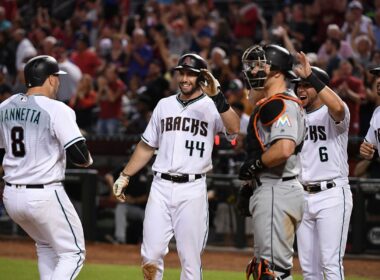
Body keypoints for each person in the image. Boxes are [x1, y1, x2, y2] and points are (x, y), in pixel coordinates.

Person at [112, 53, 240, 280]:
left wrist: (218, 97)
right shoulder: (164, 105)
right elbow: (146, 146)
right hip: (160, 185)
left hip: (192, 188)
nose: (184, 78)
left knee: (190, 260)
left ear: (202, 77)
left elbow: (234, 129)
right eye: (181, 72)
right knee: (150, 255)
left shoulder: (212, 106)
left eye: (190, 73)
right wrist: (125, 175)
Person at [0, 55, 93, 280]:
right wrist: (88, 159)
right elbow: (79, 156)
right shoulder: (56, 109)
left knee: (46, 245)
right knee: (74, 253)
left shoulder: (4, 106)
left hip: (12, 195)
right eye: (57, 78)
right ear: (50, 79)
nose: (59, 82)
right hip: (44, 195)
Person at [237, 44, 306, 279]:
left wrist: (255, 166)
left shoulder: (281, 104)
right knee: (264, 268)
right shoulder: (278, 101)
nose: (254, 70)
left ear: (277, 72)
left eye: (260, 64)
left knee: (271, 271)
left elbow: (284, 148)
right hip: (275, 187)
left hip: (277, 188)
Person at [293, 52, 353, 280]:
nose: (301, 90)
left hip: (332, 195)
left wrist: (313, 77)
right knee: (309, 270)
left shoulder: (333, 113)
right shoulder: (296, 115)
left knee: (330, 264)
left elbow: (338, 107)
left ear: (319, 87)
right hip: (303, 196)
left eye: (306, 85)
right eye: (298, 85)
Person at [360, 66, 380, 161]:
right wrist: (366, 151)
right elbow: (368, 145)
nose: (378, 80)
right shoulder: (377, 112)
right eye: (377, 77)